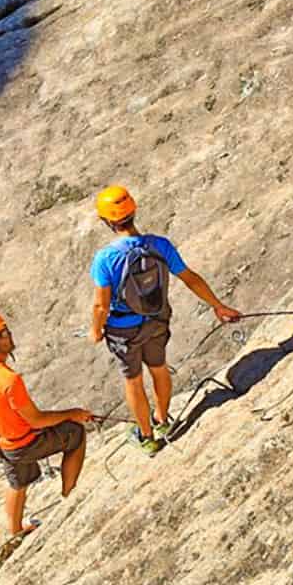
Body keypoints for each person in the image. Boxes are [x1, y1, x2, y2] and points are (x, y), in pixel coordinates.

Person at [88, 185, 240, 455]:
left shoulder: (105, 258)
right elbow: (190, 277)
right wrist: (219, 306)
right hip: (157, 320)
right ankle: (162, 420)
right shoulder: (159, 245)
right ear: (133, 211)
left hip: (124, 330)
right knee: (158, 367)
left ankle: (146, 436)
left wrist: (96, 330)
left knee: (133, 380)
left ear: (106, 221)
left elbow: (101, 304)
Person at [0, 309, 92, 537]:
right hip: (23, 444)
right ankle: (68, 498)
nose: (9, 336)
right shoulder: (9, 380)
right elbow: (36, 419)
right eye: (3, 333)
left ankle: (15, 532)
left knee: (17, 483)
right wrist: (73, 413)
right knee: (75, 433)